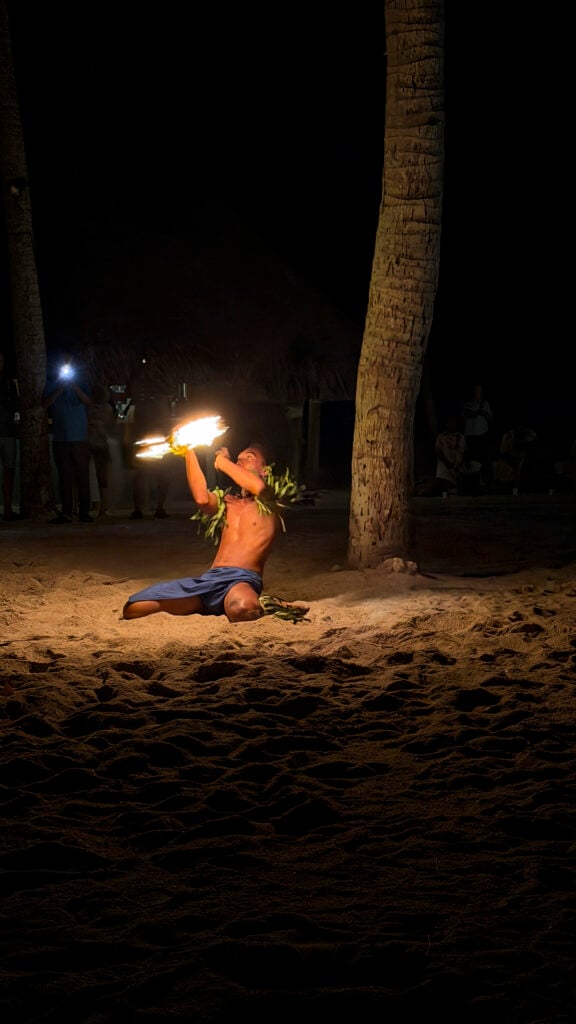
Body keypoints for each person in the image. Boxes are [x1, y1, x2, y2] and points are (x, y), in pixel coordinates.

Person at [123, 442, 309, 623]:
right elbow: (202, 499)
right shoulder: (228, 502)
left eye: (249, 457)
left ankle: (271, 604)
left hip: (241, 581)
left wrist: (221, 462)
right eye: (238, 459)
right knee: (134, 608)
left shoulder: (273, 501)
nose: (240, 460)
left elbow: (259, 488)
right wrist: (188, 448)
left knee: (242, 610)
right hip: (210, 580)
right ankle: (207, 604)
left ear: (266, 470)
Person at [42, 351, 93, 524]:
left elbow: (88, 401)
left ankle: (84, 512)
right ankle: (67, 513)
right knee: (64, 476)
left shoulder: (81, 383)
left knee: (82, 475)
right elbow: (45, 404)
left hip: (79, 436)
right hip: (60, 437)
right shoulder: (52, 384)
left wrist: (75, 387)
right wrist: (60, 389)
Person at [122, 356, 172, 519]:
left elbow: (166, 412)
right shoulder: (138, 389)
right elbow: (130, 404)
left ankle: (159, 507)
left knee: (162, 474)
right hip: (142, 435)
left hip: (158, 435)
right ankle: (139, 508)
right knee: (140, 475)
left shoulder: (162, 388)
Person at [87, 384, 117, 516]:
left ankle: (97, 505)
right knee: (102, 477)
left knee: (93, 476)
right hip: (99, 443)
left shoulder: (89, 407)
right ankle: (102, 507)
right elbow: (111, 426)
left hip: (91, 443)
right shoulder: (107, 408)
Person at [0, 350, 21, 522]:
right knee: (8, 470)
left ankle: (7, 508)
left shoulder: (8, 383)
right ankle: (6, 509)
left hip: (7, 431)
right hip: (7, 431)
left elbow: (16, 404)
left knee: (9, 470)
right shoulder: (8, 383)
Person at [461, 382, 494, 484]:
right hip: (470, 436)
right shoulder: (468, 403)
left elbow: (490, 418)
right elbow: (464, 415)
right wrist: (476, 413)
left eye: (479, 390)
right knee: (471, 460)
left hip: (482, 434)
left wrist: (481, 412)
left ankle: (485, 480)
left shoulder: (485, 403)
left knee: (483, 459)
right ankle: (471, 481)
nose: (477, 392)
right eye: (476, 390)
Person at [434, 416, 468, 495]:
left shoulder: (461, 437)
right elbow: (438, 452)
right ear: (446, 424)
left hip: (458, 467)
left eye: (454, 423)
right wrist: (448, 464)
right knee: (442, 483)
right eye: (450, 423)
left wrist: (463, 463)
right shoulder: (441, 437)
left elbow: (465, 451)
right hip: (444, 467)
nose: (452, 425)